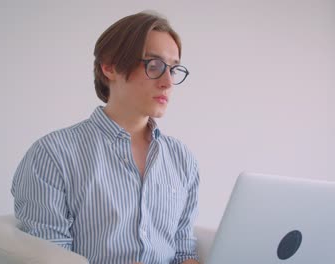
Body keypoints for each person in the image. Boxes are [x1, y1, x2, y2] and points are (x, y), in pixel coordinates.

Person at [11, 11, 199, 264]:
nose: (168, 82)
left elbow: (184, 253)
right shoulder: (52, 154)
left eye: (174, 70)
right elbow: (49, 257)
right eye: (154, 66)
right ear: (109, 66)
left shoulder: (182, 158)